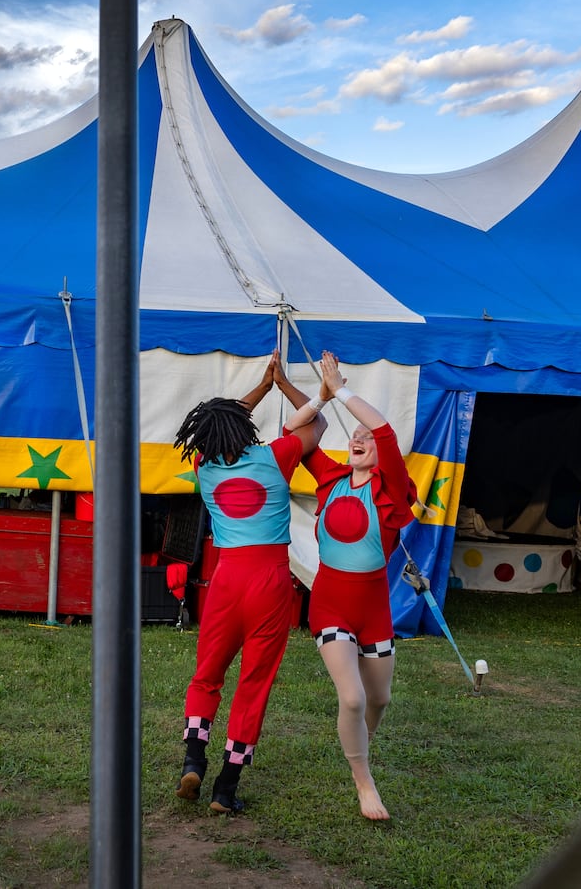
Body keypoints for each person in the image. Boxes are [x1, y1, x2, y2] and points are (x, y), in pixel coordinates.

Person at [173, 351, 326, 815]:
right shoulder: (276, 456)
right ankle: (225, 788)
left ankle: (192, 760)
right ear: (246, 429)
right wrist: (279, 385)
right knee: (253, 682)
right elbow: (316, 428)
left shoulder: (204, 467)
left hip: (225, 580)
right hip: (270, 581)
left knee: (207, 674)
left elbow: (223, 421)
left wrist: (256, 390)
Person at [280, 350, 418, 820]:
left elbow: (383, 429)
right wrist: (321, 396)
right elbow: (292, 432)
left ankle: (356, 745)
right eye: (353, 436)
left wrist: (342, 392)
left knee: (379, 699)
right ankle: (364, 783)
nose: (359, 437)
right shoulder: (329, 477)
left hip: (376, 612)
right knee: (354, 697)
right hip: (331, 607)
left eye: (366, 438)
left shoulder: (392, 490)